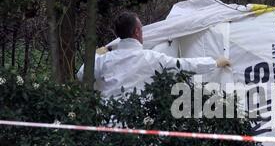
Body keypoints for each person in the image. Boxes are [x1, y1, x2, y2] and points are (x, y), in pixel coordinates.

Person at [77, 11, 231, 98]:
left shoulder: (104, 60)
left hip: (107, 125)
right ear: (137, 32)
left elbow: (81, 75)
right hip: (138, 123)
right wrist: (215, 63)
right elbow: (184, 65)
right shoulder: (151, 58)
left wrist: (96, 56)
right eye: (142, 29)